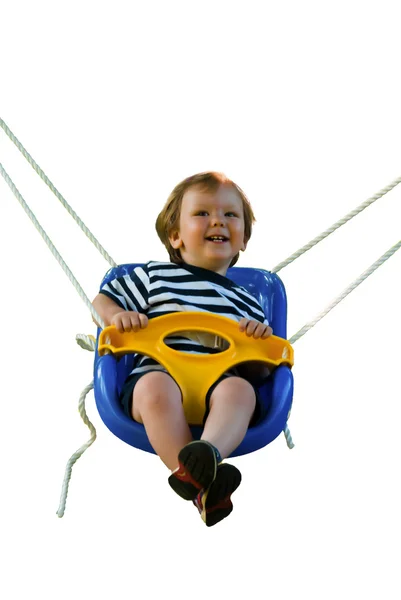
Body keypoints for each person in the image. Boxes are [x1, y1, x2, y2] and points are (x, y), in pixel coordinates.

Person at [92, 171, 272, 526]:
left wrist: (257, 342)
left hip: (219, 386)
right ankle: (198, 476)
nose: (218, 220)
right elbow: (102, 300)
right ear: (175, 236)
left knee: (241, 390)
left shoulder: (247, 301)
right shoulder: (154, 276)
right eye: (202, 213)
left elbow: (262, 371)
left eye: (230, 215)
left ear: (243, 240)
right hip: (160, 375)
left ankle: (207, 456)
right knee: (154, 389)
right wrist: (118, 317)